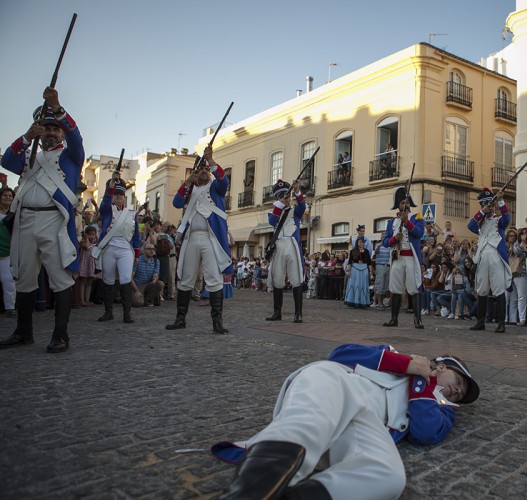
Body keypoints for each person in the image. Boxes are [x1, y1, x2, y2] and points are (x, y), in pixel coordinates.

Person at [211, 343, 480, 499]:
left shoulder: (443, 409)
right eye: (458, 382)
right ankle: (246, 493)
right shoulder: (396, 355)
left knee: (389, 477)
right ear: (442, 367)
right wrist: (407, 364)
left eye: (461, 394)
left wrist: (424, 381)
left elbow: (425, 432)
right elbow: (339, 355)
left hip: (368, 421)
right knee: (306, 424)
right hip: (336, 383)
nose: (457, 391)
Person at [0, 88, 84, 352]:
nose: (51, 132)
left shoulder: (71, 156)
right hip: (26, 220)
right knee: (24, 278)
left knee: (60, 279)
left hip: (54, 221)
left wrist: (58, 108)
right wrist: (26, 137)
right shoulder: (29, 157)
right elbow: (6, 161)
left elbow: (76, 137)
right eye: (45, 128)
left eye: (55, 128)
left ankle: (61, 335)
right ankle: (23, 332)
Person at [166, 146, 231, 334]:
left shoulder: (215, 187)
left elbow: (223, 180)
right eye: (201, 168)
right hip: (192, 237)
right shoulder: (189, 189)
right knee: (186, 279)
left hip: (211, 238)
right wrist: (187, 182)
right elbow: (177, 203)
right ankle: (180, 319)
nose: (203, 171)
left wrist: (211, 160)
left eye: (206, 169)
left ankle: (217, 323)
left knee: (214, 279)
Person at [94, 173, 141, 323]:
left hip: (126, 249)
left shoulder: (131, 214)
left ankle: (127, 314)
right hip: (109, 247)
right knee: (107, 279)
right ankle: (109, 312)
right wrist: (110, 188)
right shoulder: (107, 210)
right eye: (116, 194)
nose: (119, 197)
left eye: (121, 194)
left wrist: (137, 254)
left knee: (126, 279)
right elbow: (104, 204)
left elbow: (136, 236)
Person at [466, 188, 512, 332]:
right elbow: (470, 226)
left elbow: (507, 219)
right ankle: (480, 322)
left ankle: (501, 323)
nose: (489, 208)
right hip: (481, 257)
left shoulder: (498, 221)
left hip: (495, 256)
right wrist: (481, 212)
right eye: (485, 205)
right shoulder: (480, 222)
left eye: (490, 205)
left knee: (498, 289)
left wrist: (501, 201)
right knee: (482, 289)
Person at [382, 187, 425, 328]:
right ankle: (394, 319)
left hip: (411, 258)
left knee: (414, 288)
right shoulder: (391, 222)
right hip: (397, 258)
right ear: (398, 205)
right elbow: (385, 241)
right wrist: (394, 239)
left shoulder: (417, 218)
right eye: (401, 202)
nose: (404, 205)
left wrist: (407, 222)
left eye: (406, 202)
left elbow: (419, 233)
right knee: (395, 288)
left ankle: (417, 319)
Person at [264, 179, 306, 322]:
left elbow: (302, 205)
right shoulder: (273, 212)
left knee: (296, 278)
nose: (287, 199)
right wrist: (281, 203)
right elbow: (273, 221)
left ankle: (298, 313)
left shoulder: (295, 211)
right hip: (278, 246)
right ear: (277, 198)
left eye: (287, 196)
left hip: (292, 244)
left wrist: (297, 190)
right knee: (277, 278)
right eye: (283, 196)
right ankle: (277, 312)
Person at [0, 187, 17, 316]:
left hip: (7, 253)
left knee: (8, 280)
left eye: (10, 196)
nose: (7, 197)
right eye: (5, 195)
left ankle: (10, 308)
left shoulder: (14, 216)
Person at [344, 237, 372, 308]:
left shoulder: (366, 251)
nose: (361, 243)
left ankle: (362, 302)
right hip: (355, 269)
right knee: (355, 285)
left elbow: (369, 262)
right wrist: (348, 271)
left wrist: (371, 272)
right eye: (359, 242)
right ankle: (353, 301)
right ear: (357, 243)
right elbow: (350, 262)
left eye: (362, 242)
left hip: (364, 269)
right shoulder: (353, 251)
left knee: (363, 285)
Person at [77, 225, 100, 307]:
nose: (91, 236)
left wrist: (97, 237)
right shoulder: (83, 241)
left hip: (91, 265)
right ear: (86, 234)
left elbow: (100, 244)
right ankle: (82, 300)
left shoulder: (94, 243)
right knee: (83, 282)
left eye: (93, 234)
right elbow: (86, 246)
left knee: (89, 283)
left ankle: (87, 300)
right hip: (84, 264)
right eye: (90, 234)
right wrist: (86, 238)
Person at [372, 240, 390, 309]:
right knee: (380, 284)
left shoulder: (389, 245)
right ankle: (379, 303)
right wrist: (379, 246)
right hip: (380, 265)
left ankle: (382, 302)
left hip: (388, 266)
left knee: (385, 285)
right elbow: (376, 253)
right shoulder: (378, 245)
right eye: (382, 236)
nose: (384, 237)